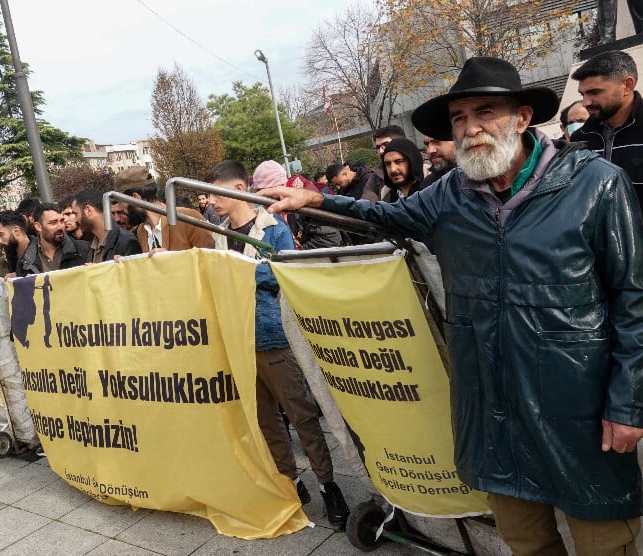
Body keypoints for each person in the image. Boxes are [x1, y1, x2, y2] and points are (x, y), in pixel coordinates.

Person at [260, 56, 643, 554]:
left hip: (581, 406)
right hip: (493, 407)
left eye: (485, 111)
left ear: (523, 118)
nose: (471, 128)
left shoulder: (595, 184)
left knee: (605, 543)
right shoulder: (449, 195)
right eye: (459, 118)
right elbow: (385, 217)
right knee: (525, 542)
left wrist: (627, 403)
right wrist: (318, 203)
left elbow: (632, 298)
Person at [203, 159, 351, 527]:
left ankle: (328, 485)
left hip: (275, 337)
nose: (210, 201)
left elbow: (285, 272)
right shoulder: (218, 236)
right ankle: (292, 482)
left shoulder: (273, 229)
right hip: (239, 343)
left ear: (237, 189)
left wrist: (241, 273)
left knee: (302, 416)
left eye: (216, 192)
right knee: (267, 421)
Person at [571, 50, 643, 204]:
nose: (585, 102)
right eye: (582, 94)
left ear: (627, 86)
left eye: (594, 92)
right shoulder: (579, 140)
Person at [251, 160, 343, 249]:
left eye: (268, 195)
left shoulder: (301, 205)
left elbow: (331, 237)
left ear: (281, 188)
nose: (266, 205)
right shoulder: (270, 213)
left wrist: (296, 254)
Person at [18, 203, 91, 276]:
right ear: (38, 226)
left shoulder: (83, 249)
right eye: (53, 223)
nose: (60, 227)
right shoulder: (25, 261)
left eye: (62, 221)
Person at [72, 188, 142, 262]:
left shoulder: (126, 241)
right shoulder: (93, 245)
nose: (75, 220)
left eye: (76, 213)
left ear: (89, 210)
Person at [379, 138, 426, 202]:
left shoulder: (433, 186)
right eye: (387, 164)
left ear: (412, 161)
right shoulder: (386, 195)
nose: (393, 169)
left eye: (399, 162)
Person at [0, 210, 31, 278]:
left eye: (1, 235)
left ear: (16, 231)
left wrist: (20, 277)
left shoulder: (43, 251)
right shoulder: (11, 256)